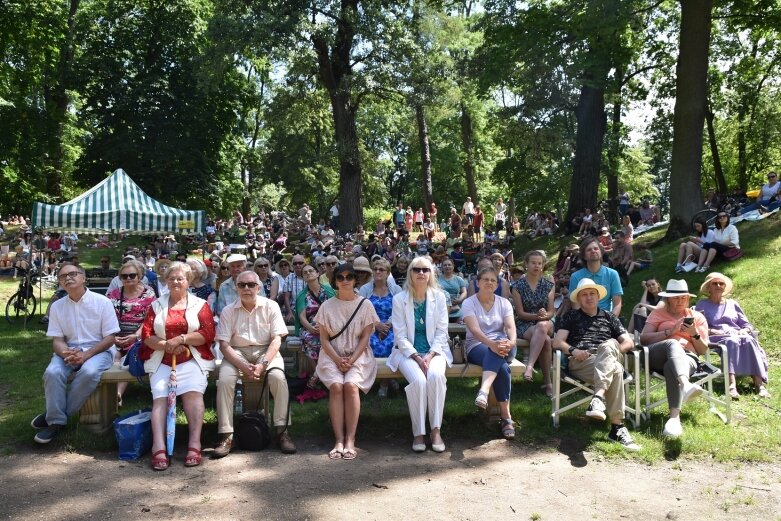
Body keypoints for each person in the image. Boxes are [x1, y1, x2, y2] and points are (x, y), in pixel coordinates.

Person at [139, 262, 216, 469]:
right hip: (161, 358)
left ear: (188, 281)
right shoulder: (156, 305)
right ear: (166, 281)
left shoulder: (200, 304)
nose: (175, 281)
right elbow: (147, 334)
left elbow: (207, 334)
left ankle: (194, 443)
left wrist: (181, 340)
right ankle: (159, 446)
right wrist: (166, 345)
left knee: (193, 395)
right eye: (171, 278)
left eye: (180, 278)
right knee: (160, 399)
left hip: (192, 357)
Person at [31, 265, 120, 444]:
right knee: (52, 372)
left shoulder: (102, 302)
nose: (68, 278)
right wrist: (65, 353)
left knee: (89, 372)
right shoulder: (56, 306)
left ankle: (54, 419)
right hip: (68, 350)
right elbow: (57, 340)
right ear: (59, 282)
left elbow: (110, 338)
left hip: (99, 350)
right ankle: (56, 419)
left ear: (83, 278)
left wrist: (86, 355)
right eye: (63, 276)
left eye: (73, 274)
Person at [213, 269, 297, 457]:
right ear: (237, 288)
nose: (247, 288)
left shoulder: (271, 306)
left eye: (251, 285)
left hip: (266, 350)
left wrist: (263, 363)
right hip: (236, 352)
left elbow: (276, 340)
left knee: (278, 378)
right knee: (225, 381)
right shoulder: (228, 310)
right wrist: (243, 366)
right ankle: (227, 434)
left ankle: (282, 431)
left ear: (258, 288)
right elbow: (224, 345)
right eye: (242, 285)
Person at [553, 279, 640, 451]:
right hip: (583, 362)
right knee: (614, 368)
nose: (588, 297)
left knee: (608, 347)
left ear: (598, 296)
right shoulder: (571, 316)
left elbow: (628, 343)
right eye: (584, 294)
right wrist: (573, 351)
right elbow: (557, 342)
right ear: (578, 298)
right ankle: (617, 427)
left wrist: (611, 351)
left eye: (592, 293)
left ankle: (598, 398)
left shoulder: (610, 317)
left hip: (608, 357)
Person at [314, 264, 379, 460]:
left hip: (359, 355)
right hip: (331, 354)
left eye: (349, 276)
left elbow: (365, 338)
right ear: (334, 281)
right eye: (340, 277)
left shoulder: (365, 305)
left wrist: (350, 360)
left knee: (350, 386)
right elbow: (323, 339)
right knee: (336, 386)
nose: (345, 281)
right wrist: (337, 359)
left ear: (355, 280)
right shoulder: (326, 306)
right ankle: (339, 440)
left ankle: (351, 439)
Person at [388, 256, 451, 452]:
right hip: (407, 353)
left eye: (425, 270)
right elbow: (399, 335)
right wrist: (416, 356)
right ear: (410, 274)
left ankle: (435, 430)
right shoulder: (400, 299)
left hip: (436, 352)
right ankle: (418, 433)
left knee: (436, 376)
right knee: (419, 381)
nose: (421, 273)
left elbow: (442, 331)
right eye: (417, 270)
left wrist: (430, 355)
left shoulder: (439, 297)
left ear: (431, 273)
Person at [639, 280, 709, 438]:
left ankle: (674, 419)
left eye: (683, 298)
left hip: (687, 358)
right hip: (656, 354)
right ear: (668, 299)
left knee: (671, 366)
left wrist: (694, 334)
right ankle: (685, 385)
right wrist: (670, 331)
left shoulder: (696, 317)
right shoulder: (657, 314)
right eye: (676, 297)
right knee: (672, 343)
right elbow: (643, 339)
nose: (680, 301)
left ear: (688, 299)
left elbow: (703, 350)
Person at [461, 266, 518, 440]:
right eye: (485, 279)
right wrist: (491, 344)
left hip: (504, 345)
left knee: (498, 352)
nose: (489, 283)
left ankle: (483, 391)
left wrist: (511, 342)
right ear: (478, 283)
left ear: (497, 284)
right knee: (502, 368)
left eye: (493, 280)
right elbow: (474, 330)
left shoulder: (504, 302)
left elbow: (510, 327)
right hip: (477, 345)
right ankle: (506, 417)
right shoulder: (469, 302)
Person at [695, 273, 769, 399]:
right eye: (715, 283)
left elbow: (747, 325)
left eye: (721, 283)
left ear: (724, 287)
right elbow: (697, 325)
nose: (718, 285)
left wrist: (744, 330)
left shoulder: (733, 304)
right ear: (708, 287)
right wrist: (712, 331)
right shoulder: (702, 304)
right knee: (731, 342)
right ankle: (731, 385)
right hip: (716, 336)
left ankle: (759, 384)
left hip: (737, 334)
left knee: (749, 340)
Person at [107, 260, 156, 406]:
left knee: (129, 358)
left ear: (139, 276)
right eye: (124, 276)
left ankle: (117, 394)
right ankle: (111, 391)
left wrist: (136, 336)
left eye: (132, 275)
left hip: (138, 335)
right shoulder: (113, 294)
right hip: (115, 334)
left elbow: (150, 320)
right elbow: (107, 318)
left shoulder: (149, 295)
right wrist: (113, 337)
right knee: (113, 356)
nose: (128, 279)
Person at [511, 251, 554, 397]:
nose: (537, 266)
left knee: (542, 326)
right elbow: (520, 313)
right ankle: (548, 383)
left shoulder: (548, 285)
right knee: (546, 341)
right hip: (525, 323)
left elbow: (551, 311)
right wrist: (536, 316)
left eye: (539, 263)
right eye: (533, 263)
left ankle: (529, 366)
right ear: (526, 265)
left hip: (546, 322)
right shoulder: (517, 286)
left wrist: (543, 315)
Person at [296, 263, 336, 387]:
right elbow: (302, 317)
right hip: (310, 326)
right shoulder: (302, 295)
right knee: (309, 338)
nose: (308, 273)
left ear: (318, 273)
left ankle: (317, 375)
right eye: (305, 273)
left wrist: (324, 326)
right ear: (303, 277)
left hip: (329, 324)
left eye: (311, 271)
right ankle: (318, 373)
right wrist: (311, 328)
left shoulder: (329, 291)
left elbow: (336, 311)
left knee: (331, 339)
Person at [568, 237, 622, 316]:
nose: (593, 251)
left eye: (596, 248)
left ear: (601, 252)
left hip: (607, 318)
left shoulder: (612, 274)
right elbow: (575, 306)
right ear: (584, 256)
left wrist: (611, 321)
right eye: (589, 250)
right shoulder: (575, 277)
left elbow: (617, 304)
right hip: (584, 319)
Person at [439, 258, 467, 322]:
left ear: (453, 266)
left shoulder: (459, 279)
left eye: (449, 265)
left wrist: (460, 299)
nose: (447, 266)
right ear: (442, 267)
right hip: (442, 310)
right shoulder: (437, 280)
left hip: (457, 310)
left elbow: (464, 292)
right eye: (445, 265)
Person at [283, 255, 307, 323]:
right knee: (290, 320)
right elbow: (286, 297)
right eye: (295, 263)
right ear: (292, 266)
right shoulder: (289, 278)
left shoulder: (309, 275)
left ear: (304, 264)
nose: (297, 265)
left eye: (300, 263)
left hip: (309, 308)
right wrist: (289, 313)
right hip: (294, 309)